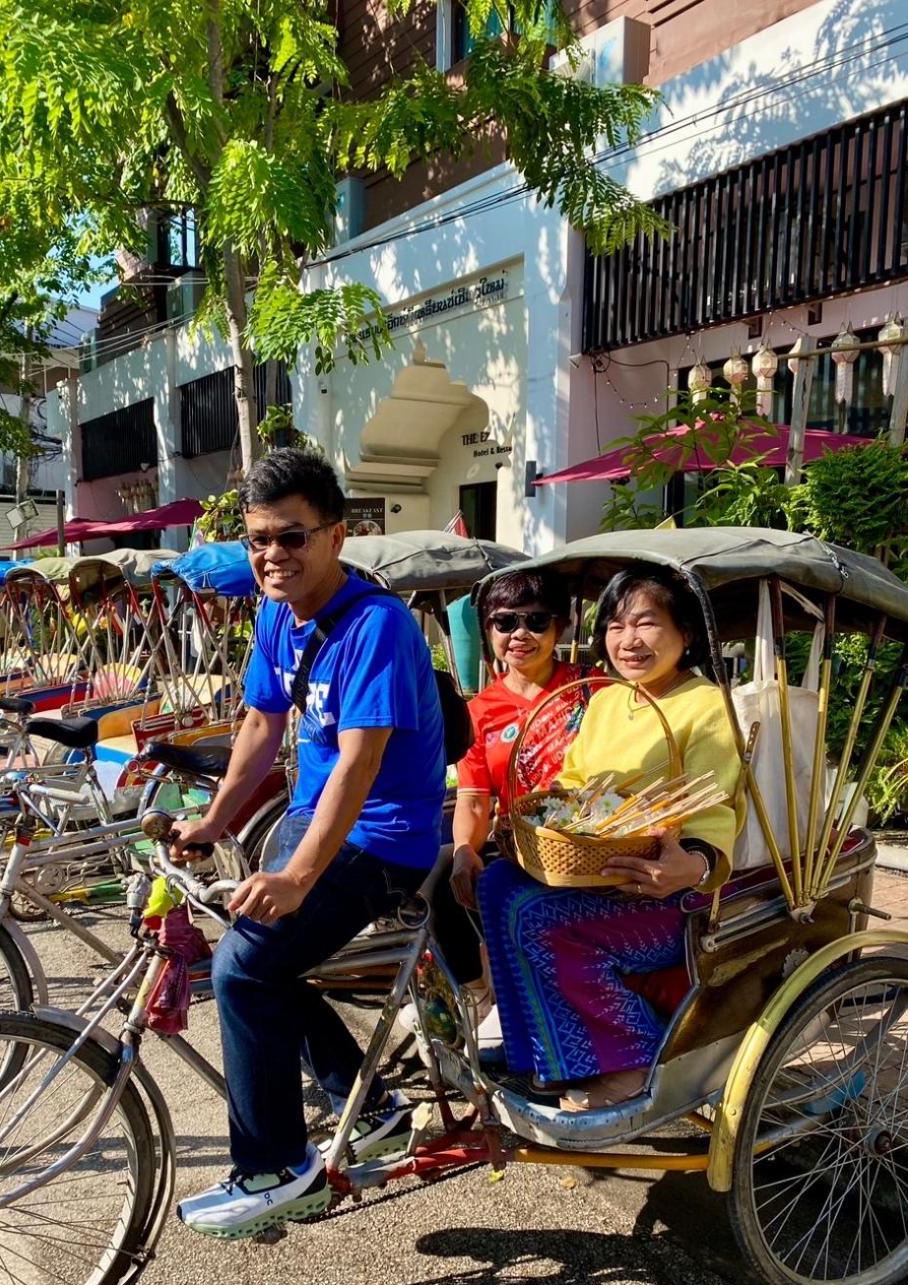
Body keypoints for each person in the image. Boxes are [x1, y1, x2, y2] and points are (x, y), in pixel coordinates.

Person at [170, 448, 446, 1238]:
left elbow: (360, 765)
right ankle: (375, 1106)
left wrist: (295, 874)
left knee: (246, 965)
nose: (271, 555)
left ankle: (278, 1167)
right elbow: (260, 724)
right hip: (317, 819)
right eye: (258, 539)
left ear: (337, 535)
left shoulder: (377, 626)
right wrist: (215, 822)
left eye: (291, 537)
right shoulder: (274, 613)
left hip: (387, 837)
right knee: (261, 948)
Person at [478, 564, 742, 1110]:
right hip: (594, 868)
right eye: (617, 626)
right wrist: (547, 818)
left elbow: (714, 807)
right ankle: (541, 1051)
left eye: (646, 624)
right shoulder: (605, 699)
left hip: (666, 893)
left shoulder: (706, 705)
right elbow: (573, 782)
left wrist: (691, 863)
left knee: (537, 916)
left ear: (685, 634)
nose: (629, 641)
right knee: (497, 881)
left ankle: (631, 1056)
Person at [431, 569, 590, 1014]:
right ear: (487, 629)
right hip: (520, 842)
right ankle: (477, 991)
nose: (520, 633)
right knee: (440, 868)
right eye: (505, 622)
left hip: (588, 843)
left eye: (537, 621)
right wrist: (465, 848)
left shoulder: (593, 690)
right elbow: (474, 797)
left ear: (561, 625)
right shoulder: (479, 711)